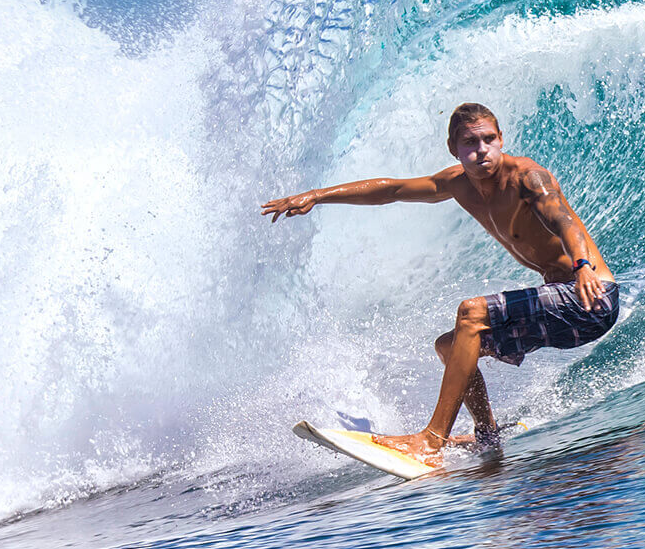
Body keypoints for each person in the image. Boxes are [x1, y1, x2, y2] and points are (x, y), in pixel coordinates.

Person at [260, 102, 619, 465]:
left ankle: (431, 441)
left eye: (489, 139)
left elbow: (563, 220)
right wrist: (318, 195)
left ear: (501, 139)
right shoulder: (457, 184)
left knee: (472, 313)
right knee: (451, 346)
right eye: (470, 142)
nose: (482, 150)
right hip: (562, 309)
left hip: (591, 296)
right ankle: (487, 436)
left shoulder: (528, 178)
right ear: (454, 149)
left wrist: (582, 266)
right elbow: (392, 190)